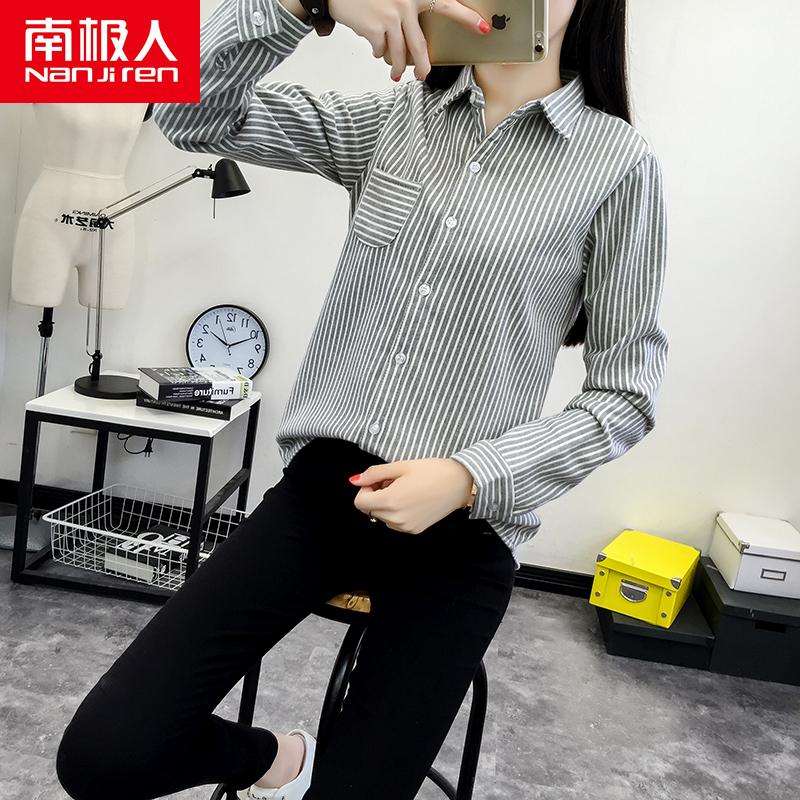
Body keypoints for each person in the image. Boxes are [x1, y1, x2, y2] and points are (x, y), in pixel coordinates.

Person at [55, 0, 669, 799]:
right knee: (103, 755)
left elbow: (626, 395)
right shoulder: (390, 121)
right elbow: (187, 113)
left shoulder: (618, 165)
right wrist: (303, 3)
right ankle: (282, 761)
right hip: (321, 498)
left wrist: (469, 476)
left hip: (464, 531)